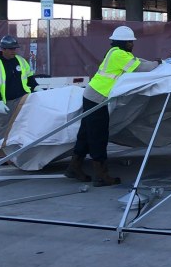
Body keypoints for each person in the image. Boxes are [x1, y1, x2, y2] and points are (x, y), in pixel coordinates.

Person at [65, 26, 161, 186]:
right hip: (97, 97)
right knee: (98, 136)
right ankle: (101, 174)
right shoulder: (118, 55)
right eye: (130, 42)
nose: (132, 44)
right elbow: (143, 67)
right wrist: (157, 63)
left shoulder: (117, 53)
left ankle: (74, 167)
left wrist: (153, 62)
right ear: (123, 42)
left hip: (92, 95)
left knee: (86, 133)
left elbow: (137, 61)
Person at [0, 35, 37, 157]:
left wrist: (36, 87)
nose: (14, 51)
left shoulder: (21, 61)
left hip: (23, 99)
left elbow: (29, 78)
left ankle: (20, 152)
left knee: (23, 126)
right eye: (11, 49)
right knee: (4, 128)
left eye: (15, 48)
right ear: (3, 49)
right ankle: (1, 155)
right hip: (6, 102)